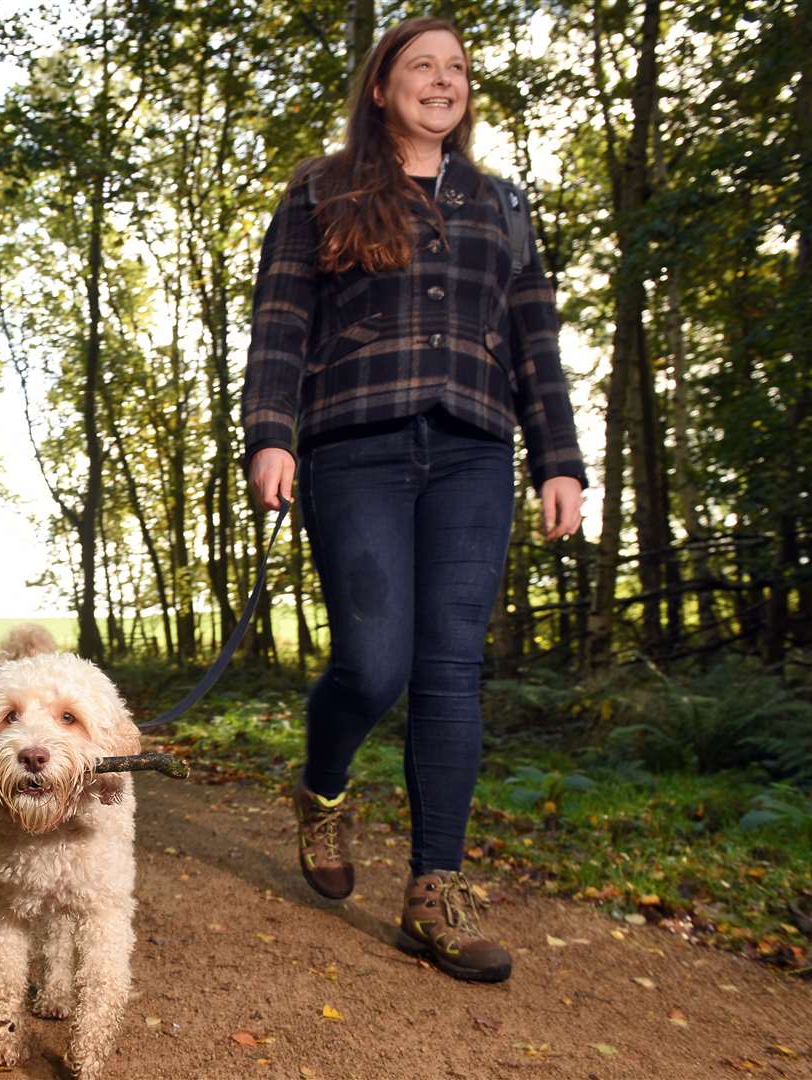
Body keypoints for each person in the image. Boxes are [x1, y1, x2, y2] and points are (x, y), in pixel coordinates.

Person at [241, 15, 586, 984]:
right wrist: (270, 432)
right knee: (372, 663)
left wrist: (556, 458)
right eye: (420, 66)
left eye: (456, 69)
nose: (442, 81)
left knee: (447, 667)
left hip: (473, 448)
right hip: (354, 443)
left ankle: (434, 890)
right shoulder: (319, 192)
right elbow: (280, 319)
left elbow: (532, 340)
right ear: (380, 84)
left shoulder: (499, 204)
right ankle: (321, 784)